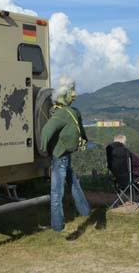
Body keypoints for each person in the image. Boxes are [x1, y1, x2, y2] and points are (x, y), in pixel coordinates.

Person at [40, 77, 91, 232]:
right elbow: (82, 132)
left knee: (56, 193)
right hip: (67, 154)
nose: (74, 95)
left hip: (59, 156)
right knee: (74, 183)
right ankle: (85, 211)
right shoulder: (74, 112)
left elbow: (46, 131)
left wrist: (42, 150)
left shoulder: (61, 114)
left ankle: (57, 226)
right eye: (72, 92)